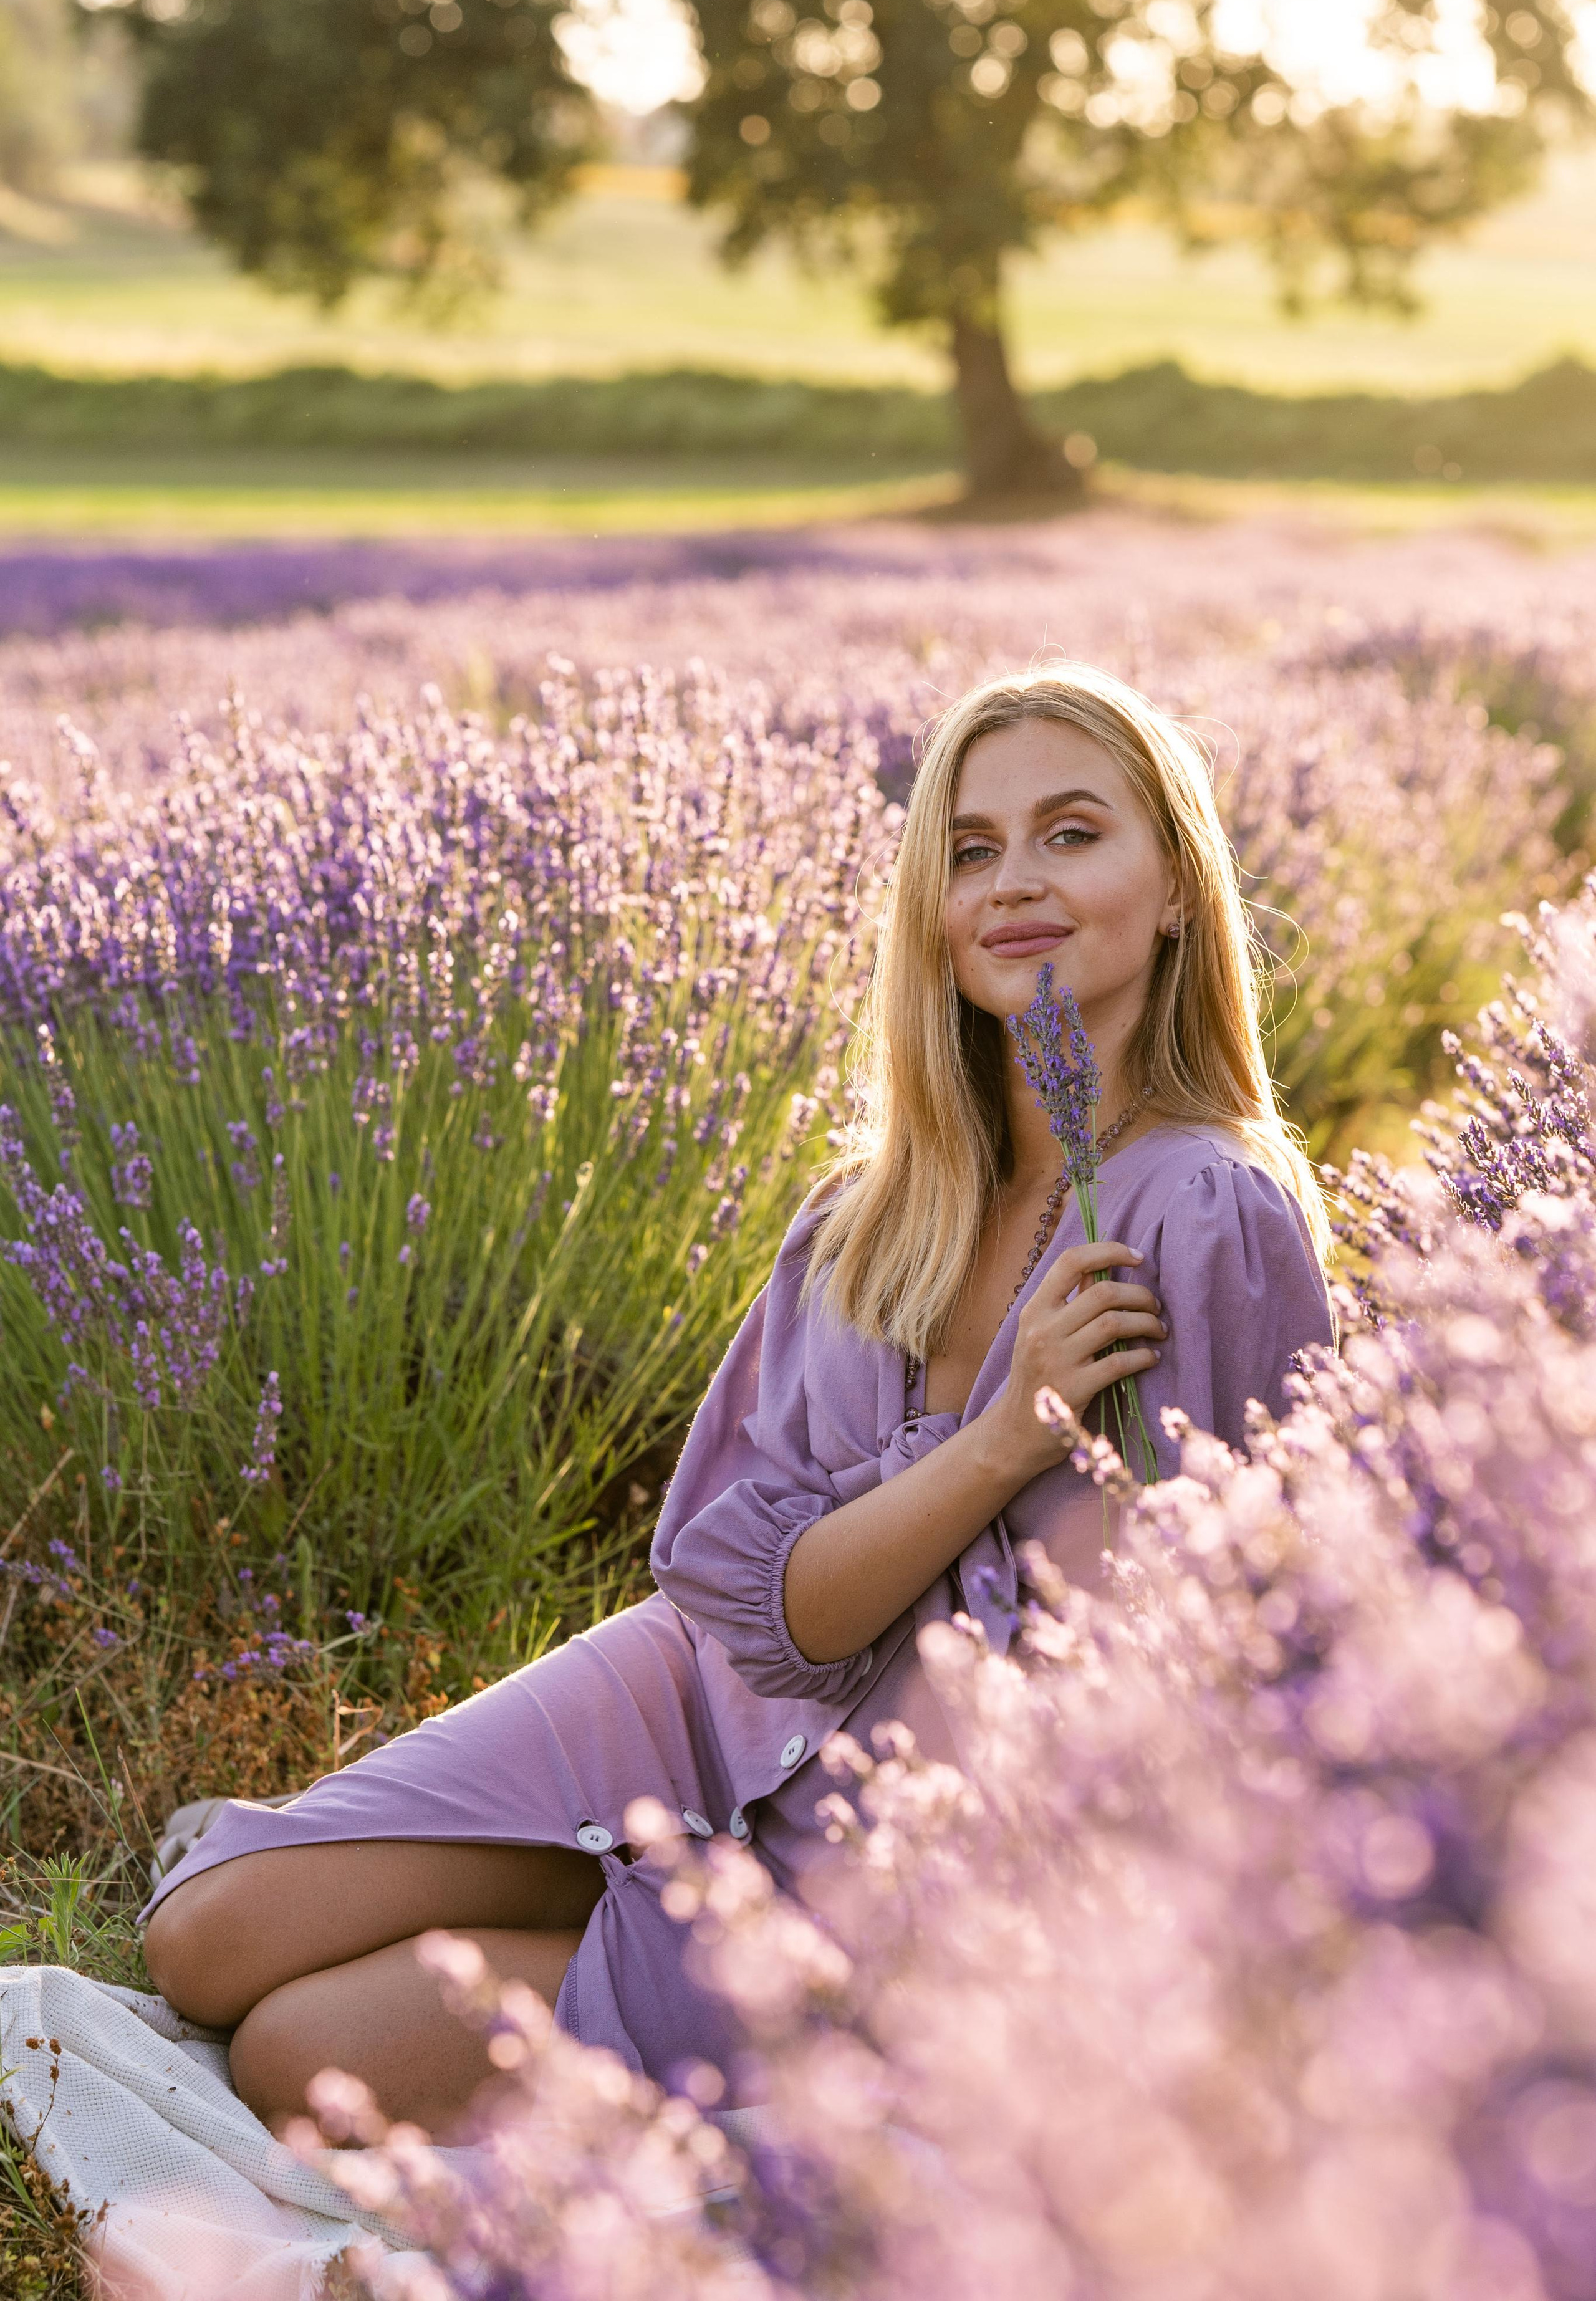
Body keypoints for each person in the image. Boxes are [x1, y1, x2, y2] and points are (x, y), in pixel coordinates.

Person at [142, 665, 1334, 2138]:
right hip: (706, 1701)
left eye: (1071, 833)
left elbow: (1201, 1661)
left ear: (1173, 888)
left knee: (303, 2054)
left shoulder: (1202, 1208)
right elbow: (765, 1602)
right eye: (969, 849)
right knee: (203, 1938)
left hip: (897, 1839)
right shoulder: (866, 1213)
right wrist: (998, 1441)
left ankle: (738, 2045)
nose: (1013, 884)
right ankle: (612, 1900)